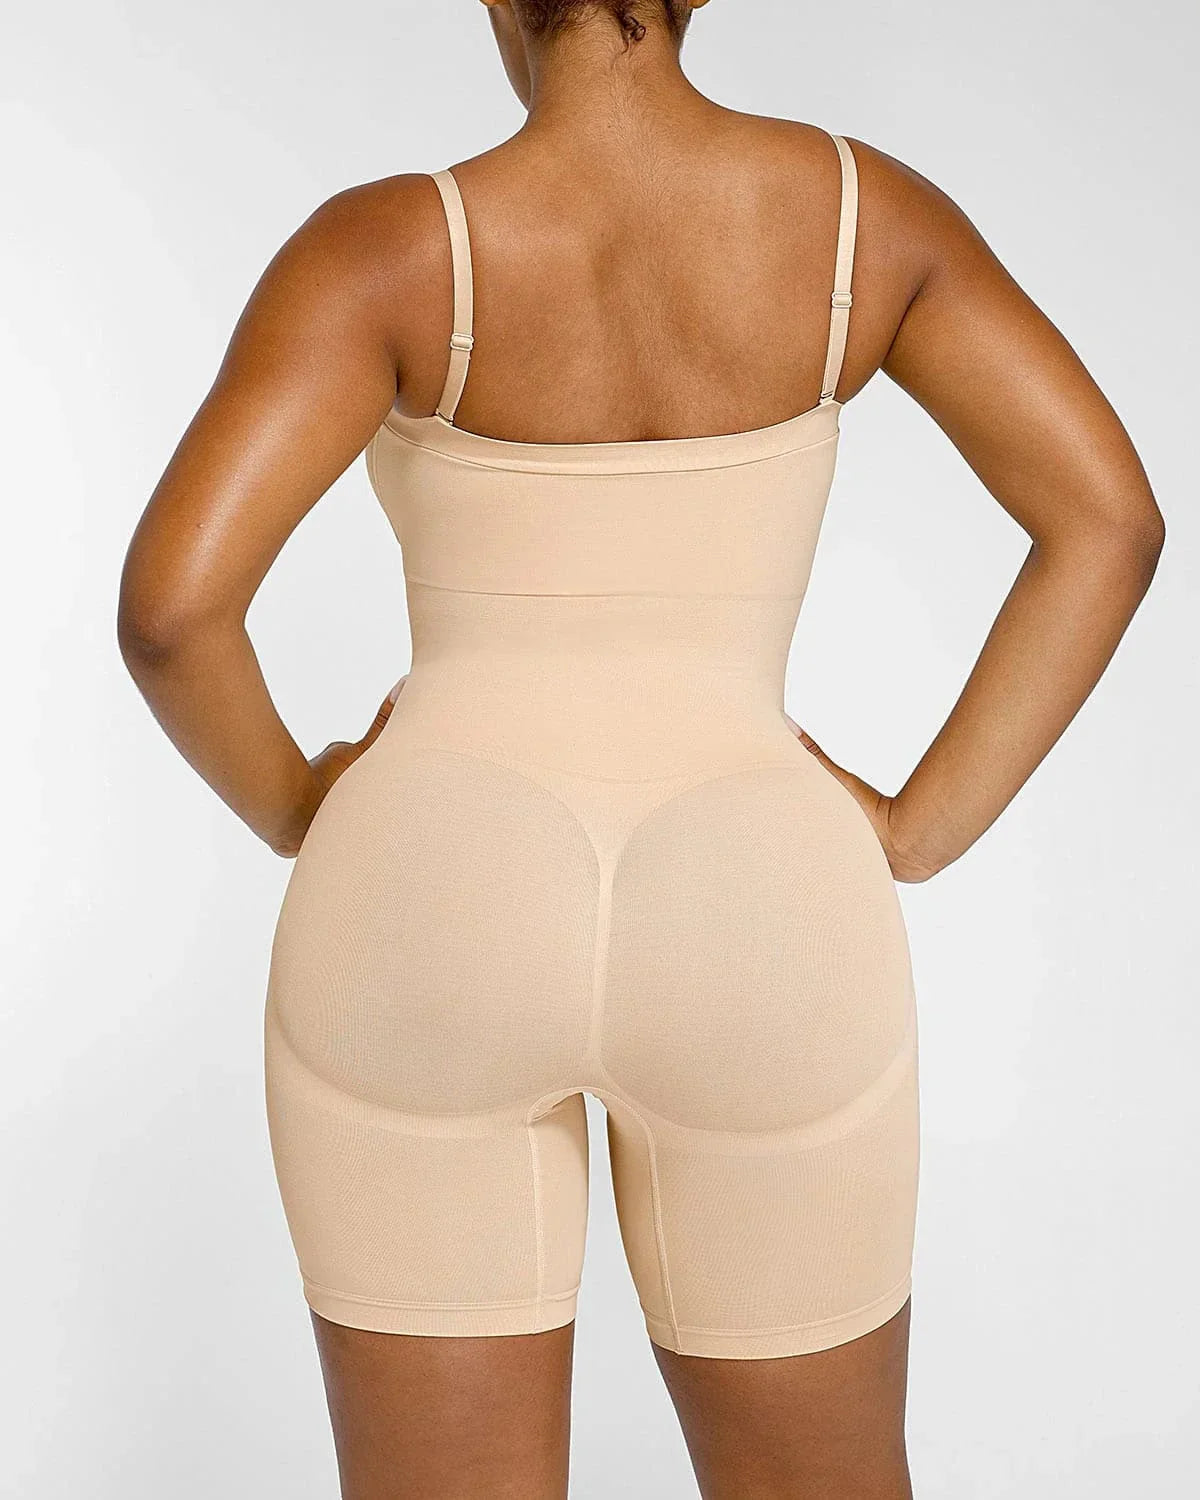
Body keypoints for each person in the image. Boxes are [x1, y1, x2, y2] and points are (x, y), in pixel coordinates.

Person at [116, 2, 1164, 1495]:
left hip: (430, 896)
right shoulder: (863, 222)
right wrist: (914, 829)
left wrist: (302, 804)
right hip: (762, 894)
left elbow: (172, 612)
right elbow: (1108, 520)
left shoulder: (383, 252)